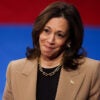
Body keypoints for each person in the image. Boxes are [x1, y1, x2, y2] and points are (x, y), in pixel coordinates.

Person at [3, 1, 100, 100]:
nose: (50, 40)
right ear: (39, 31)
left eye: (59, 35)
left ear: (69, 40)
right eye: (46, 31)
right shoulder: (15, 70)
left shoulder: (91, 71)